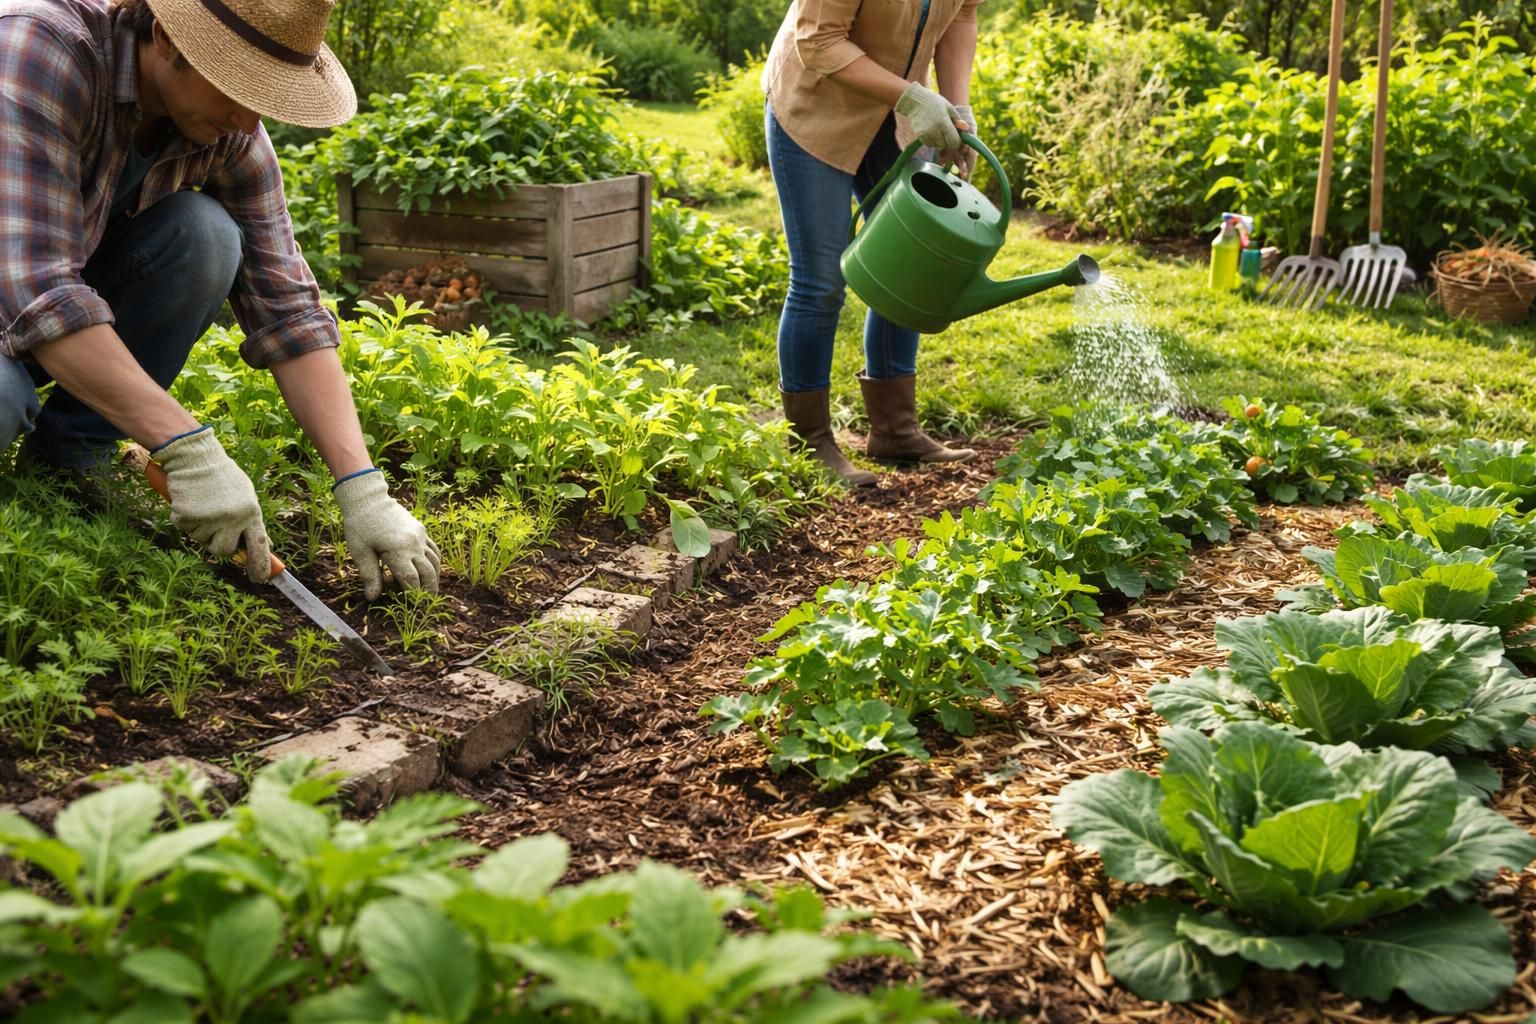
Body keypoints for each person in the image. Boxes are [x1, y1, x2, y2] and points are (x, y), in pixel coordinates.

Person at [0, 0, 439, 600]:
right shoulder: (39, 50)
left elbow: (288, 310)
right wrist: (187, 448)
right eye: (237, 84)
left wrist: (362, 487)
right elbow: (39, 287)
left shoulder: (230, 132)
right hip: (21, 283)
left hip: (38, 294)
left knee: (203, 236)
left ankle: (70, 461)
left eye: (267, 94)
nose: (249, 116)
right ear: (165, 39)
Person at [763, 0, 984, 487]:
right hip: (816, 108)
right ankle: (810, 443)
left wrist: (956, 105)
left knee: (905, 263)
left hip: (898, 117)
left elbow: (961, 16)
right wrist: (914, 97)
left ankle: (895, 430)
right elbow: (818, 40)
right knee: (820, 281)